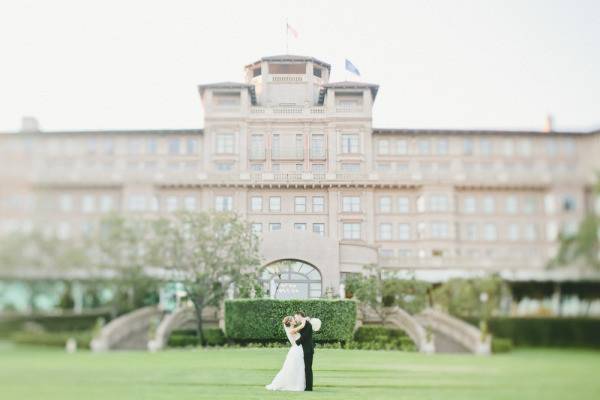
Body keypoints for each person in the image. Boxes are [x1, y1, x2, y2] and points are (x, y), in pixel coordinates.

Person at [265, 316, 305, 391]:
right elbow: (302, 326)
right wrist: (304, 320)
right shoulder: (291, 330)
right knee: (294, 368)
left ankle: (295, 383)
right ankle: (294, 384)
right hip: (296, 350)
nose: (295, 320)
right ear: (290, 322)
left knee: (297, 368)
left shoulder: (292, 329)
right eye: (293, 319)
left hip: (298, 349)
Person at [294, 311, 315, 391]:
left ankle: (309, 387)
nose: (296, 319)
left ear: (300, 316)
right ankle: (308, 386)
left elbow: (305, 337)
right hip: (306, 349)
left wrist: (296, 342)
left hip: (308, 349)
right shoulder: (304, 323)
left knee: (308, 368)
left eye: (296, 317)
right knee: (307, 368)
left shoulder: (307, 324)